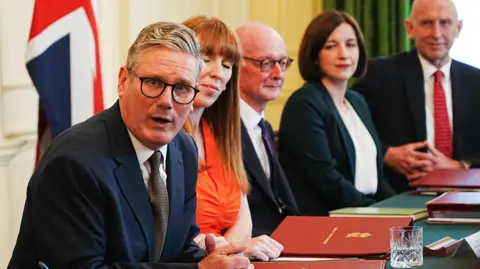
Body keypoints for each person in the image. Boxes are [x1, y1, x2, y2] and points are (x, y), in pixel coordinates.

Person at [8, 22, 252, 269]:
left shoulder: (184, 150)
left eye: (181, 88)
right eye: (154, 83)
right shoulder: (74, 162)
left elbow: (177, 249)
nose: (167, 101)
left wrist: (211, 259)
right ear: (123, 81)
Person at [182, 16, 283, 261]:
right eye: (206, 60)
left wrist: (230, 250)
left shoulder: (221, 135)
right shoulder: (163, 136)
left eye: (227, 65)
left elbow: (242, 219)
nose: (218, 73)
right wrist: (231, 250)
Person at [353, 0, 480, 193]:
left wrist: (461, 167)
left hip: (464, 195)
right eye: (427, 23)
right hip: (397, 195)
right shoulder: (380, 73)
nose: (436, 34)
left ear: (458, 28)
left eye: (445, 23)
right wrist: (385, 154)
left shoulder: (476, 82)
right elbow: (348, 126)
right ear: (410, 28)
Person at [278, 11, 395, 216]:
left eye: (351, 44)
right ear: (315, 56)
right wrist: (378, 211)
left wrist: (399, 207)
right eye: (331, 46)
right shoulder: (304, 103)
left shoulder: (356, 100)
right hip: (327, 220)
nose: (344, 54)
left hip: (364, 212)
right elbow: (327, 180)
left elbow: (376, 177)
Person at [235, 22, 299, 236]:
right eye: (266, 63)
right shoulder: (220, 131)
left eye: (282, 62)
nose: (278, 74)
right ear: (234, 65)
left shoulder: (264, 127)